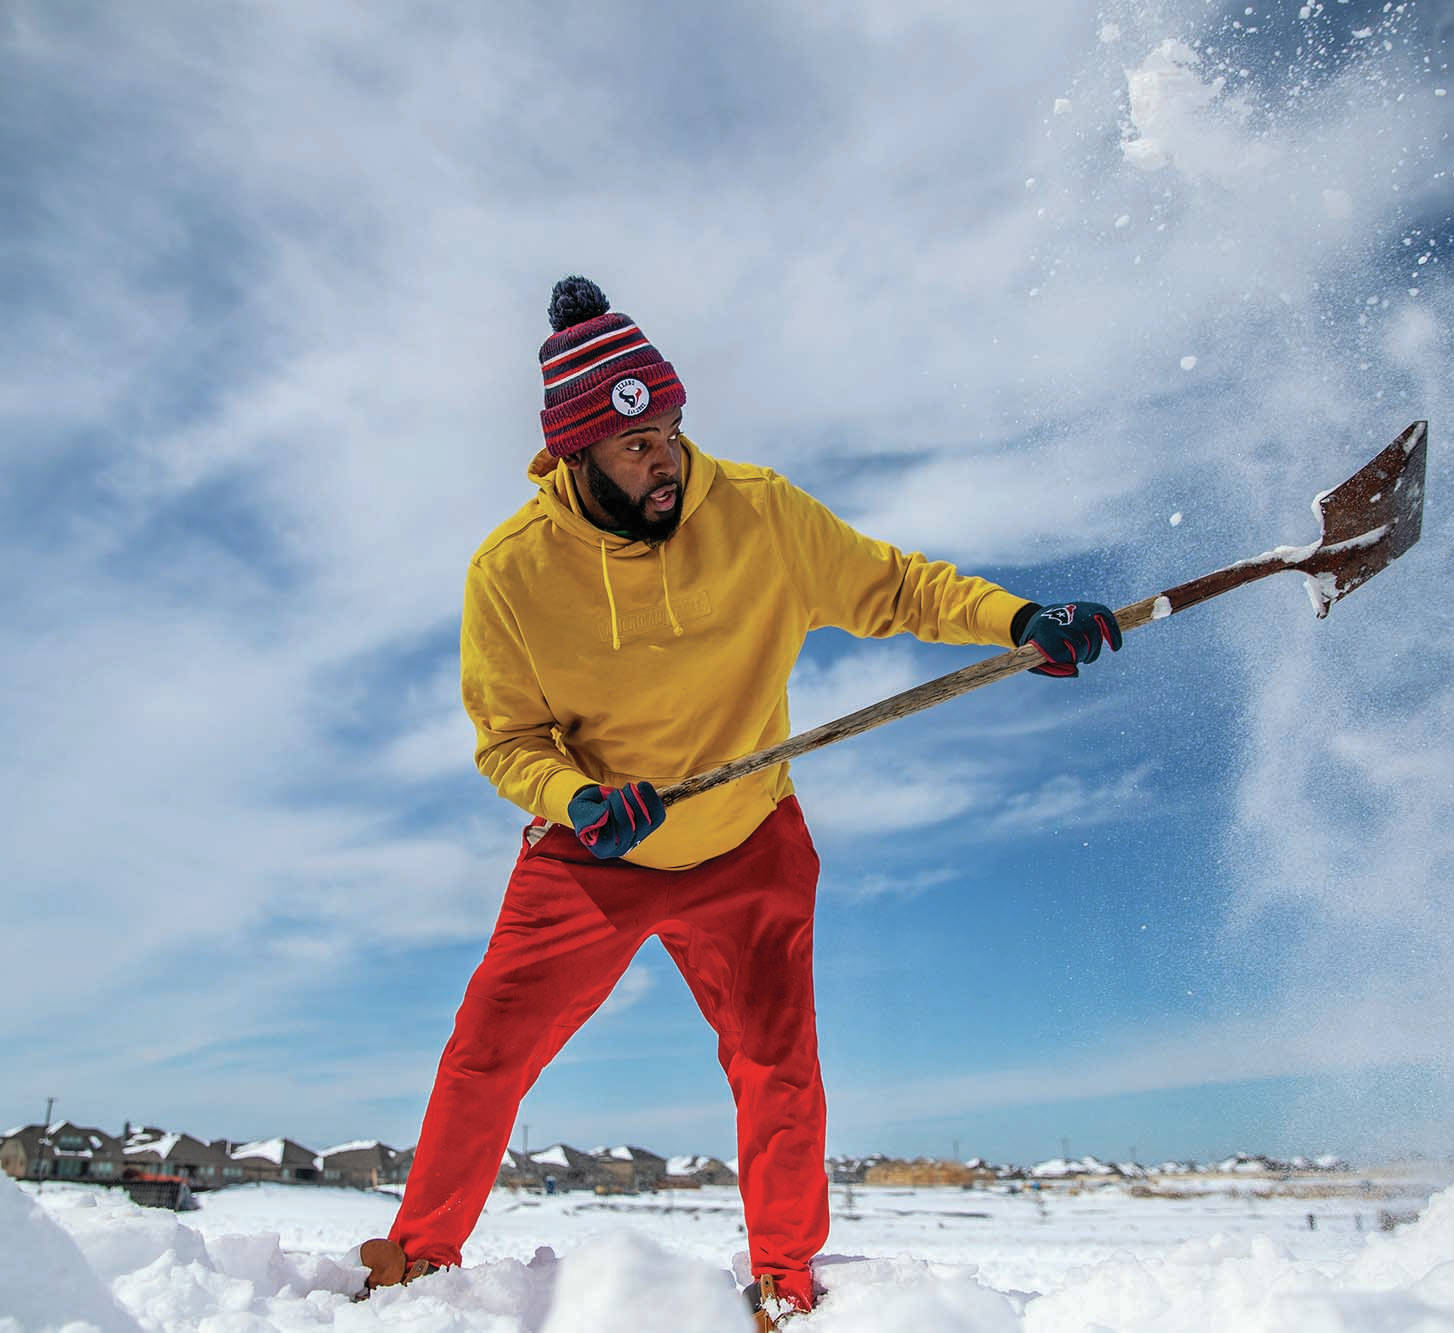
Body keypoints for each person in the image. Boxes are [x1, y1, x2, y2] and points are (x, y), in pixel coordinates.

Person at [357, 277, 1121, 1326]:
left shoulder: (757, 508)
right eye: (633, 448)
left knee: (777, 1068)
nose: (663, 459)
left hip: (747, 839)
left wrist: (1019, 618)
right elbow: (507, 742)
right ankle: (416, 1265)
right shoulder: (510, 572)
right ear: (573, 457)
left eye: (669, 431)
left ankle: (784, 1280)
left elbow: (896, 586)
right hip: (594, 853)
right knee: (486, 1054)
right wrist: (578, 799)